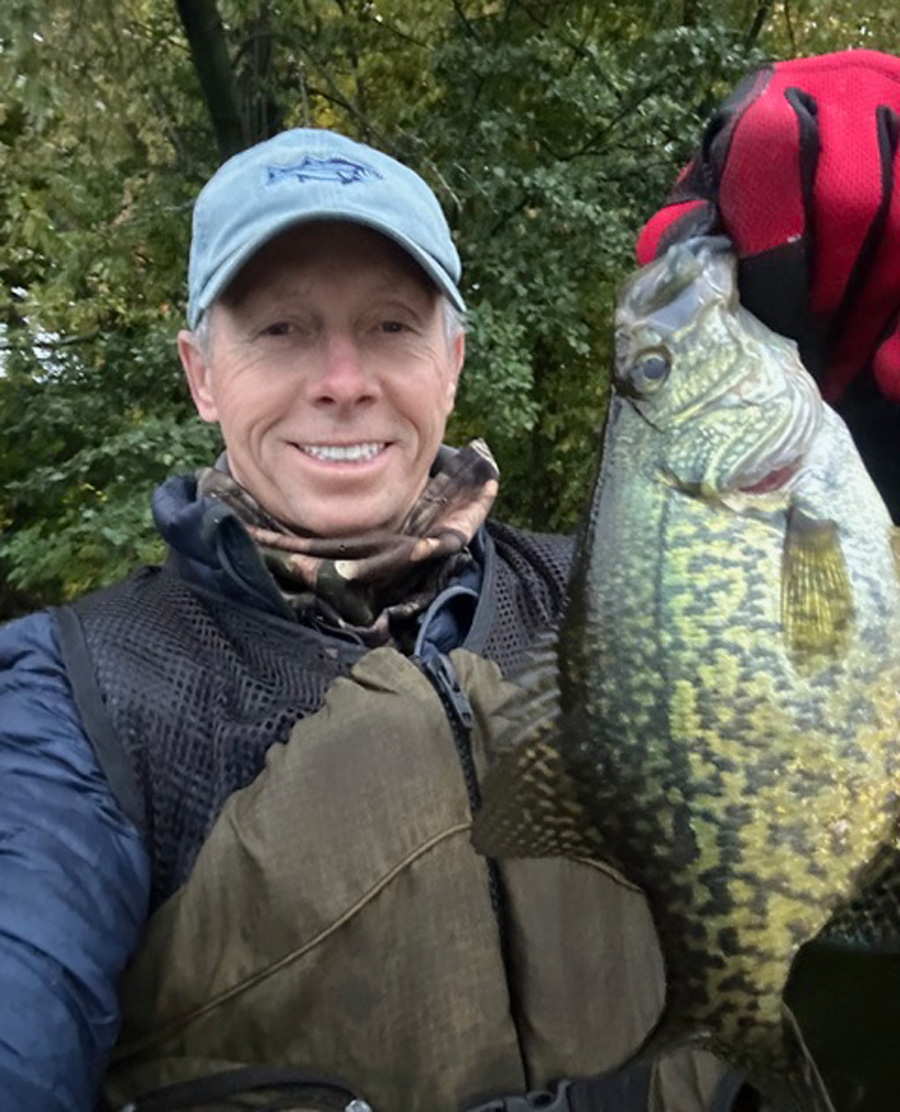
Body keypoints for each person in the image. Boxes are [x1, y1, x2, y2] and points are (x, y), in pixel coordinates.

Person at [0, 48, 897, 1112]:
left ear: (453, 358)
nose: (343, 381)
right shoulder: (73, 698)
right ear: (202, 372)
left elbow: (838, 685)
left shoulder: (603, 592)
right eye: (280, 329)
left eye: (390, 323)